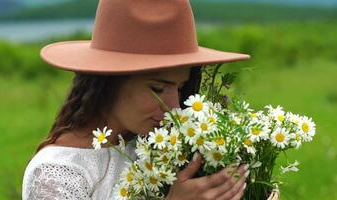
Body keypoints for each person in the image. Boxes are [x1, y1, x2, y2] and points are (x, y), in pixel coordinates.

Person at [22, 0, 250, 199]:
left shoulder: (163, 148)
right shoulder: (56, 174)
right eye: (157, 88)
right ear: (109, 80)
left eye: (180, 88)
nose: (175, 108)